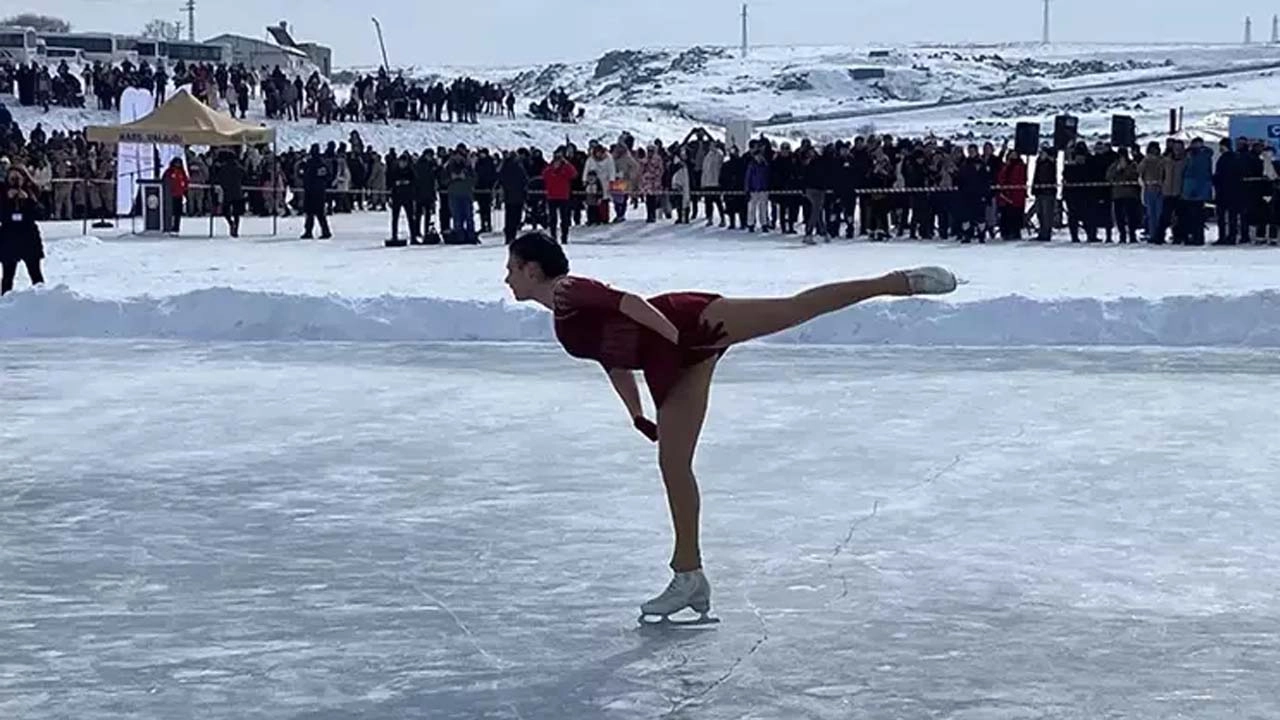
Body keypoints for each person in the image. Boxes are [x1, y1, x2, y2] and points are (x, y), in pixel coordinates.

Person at [503, 231, 958, 623]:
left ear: (532, 269)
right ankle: (689, 576)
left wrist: (674, 337)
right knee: (674, 465)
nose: (506, 277)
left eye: (511, 267)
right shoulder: (561, 317)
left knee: (792, 309)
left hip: (690, 323)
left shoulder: (567, 291)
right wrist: (637, 413)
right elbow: (612, 359)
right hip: (675, 360)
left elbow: (630, 303)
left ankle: (897, 282)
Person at [0, 165, 46, 295]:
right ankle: (4, 301)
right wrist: (7, 200)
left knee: (35, 273)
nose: (15, 181)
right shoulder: (2, 192)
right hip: (9, 236)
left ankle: (43, 298)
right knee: (8, 275)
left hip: (28, 236)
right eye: (12, 178)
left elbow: (40, 214)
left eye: (18, 178)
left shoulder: (31, 191)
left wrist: (28, 200)